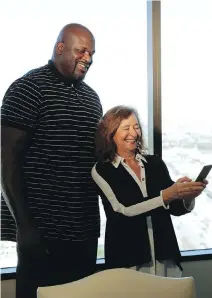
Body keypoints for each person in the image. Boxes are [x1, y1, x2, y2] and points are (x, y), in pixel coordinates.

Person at [1, 23, 102, 298]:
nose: (88, 59)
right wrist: (24, 225)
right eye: (81, 51)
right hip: (42, 234)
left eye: (92, 53)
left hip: (84, 232)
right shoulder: (27, 88)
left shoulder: (92, 99)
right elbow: (6, 161)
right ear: (60, 48)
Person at [91, 105, 208, 277]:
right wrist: (166, 196)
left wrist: (187, 197)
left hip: (165, 259)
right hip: (128, 261)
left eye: (136, 127)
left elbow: (174, 208)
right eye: (126, 128)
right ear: (110, 133)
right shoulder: (102, 170)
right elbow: (122, 210)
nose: (134, 133)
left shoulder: (155, 163)